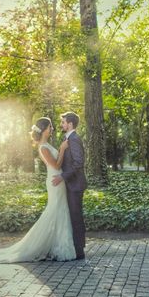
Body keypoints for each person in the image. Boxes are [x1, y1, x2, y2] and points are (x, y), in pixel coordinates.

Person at [0, 117, 76, 263]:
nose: (52, 128)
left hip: (59, 181)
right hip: (55, 181)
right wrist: (63, 149)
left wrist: (61, 150)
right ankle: (40, 245)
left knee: (60, 211)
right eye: (50, 126)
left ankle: (58, 245)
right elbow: (57, 166)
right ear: (44, 129)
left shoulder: (46, 144)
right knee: (54, 211)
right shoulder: (43, 147)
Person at [52, 111, 87, 260]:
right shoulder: (69, 139)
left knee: (76, 217)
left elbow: (78, 163)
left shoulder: (73, 139)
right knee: (72, 216)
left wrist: (62, 176)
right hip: (70, 184)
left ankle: (79, 251)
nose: (61, 124)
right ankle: (75, 248)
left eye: (63, 122)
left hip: (75, 185)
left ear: (70, 124)